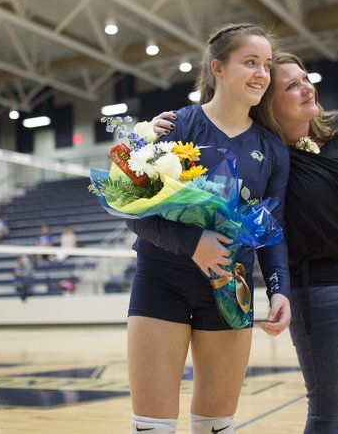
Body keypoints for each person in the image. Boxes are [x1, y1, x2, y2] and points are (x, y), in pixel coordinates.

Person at [154, 52, 338, 432]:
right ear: (269, 104)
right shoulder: (265, 156)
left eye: (305, 78)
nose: (307, 88)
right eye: (292, 86)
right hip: (323, 292)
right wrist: (148, 139)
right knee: (332, 415)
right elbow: (261, 228)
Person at [124, 23, 292, 434]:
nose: (261, 74)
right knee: (152, 426)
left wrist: (279, 286)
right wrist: (192, 241)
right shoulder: (174, 127)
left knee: (217, 425)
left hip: (232, 286)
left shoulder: (272, 147)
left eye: (266, 65)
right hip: (161, 280)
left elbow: (271, 229)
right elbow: (131, 208)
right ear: (217, 68)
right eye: (250, 62)